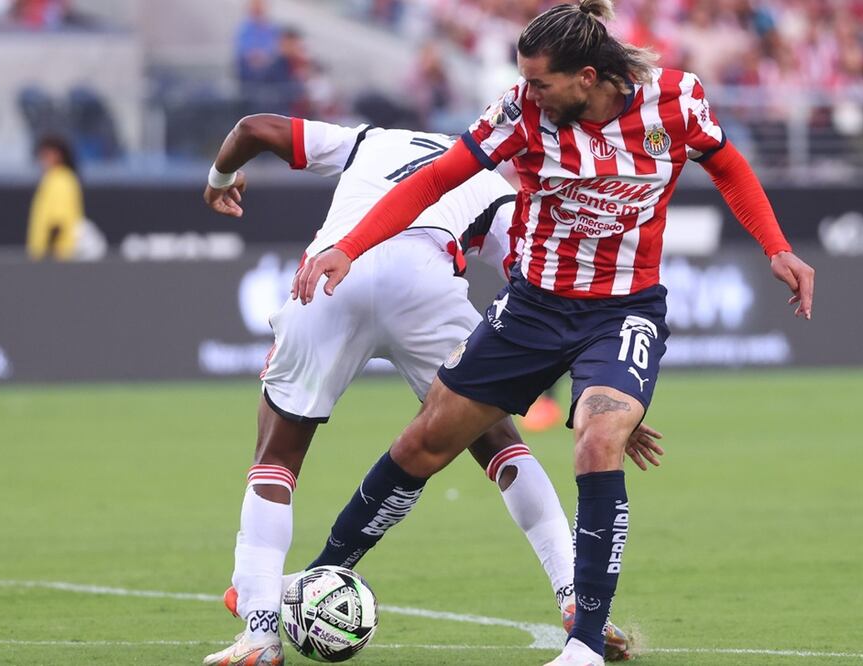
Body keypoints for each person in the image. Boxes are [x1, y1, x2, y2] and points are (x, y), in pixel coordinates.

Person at [294, 2, 816, 665]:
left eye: (540, 82)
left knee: (599, 439)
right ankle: (323, 572)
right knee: (427, 442)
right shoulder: (521, 114)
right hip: (533, 309)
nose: (527, 92)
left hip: (623, 312)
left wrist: (776, 247)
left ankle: (586, 645)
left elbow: (728, 165)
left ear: (587, 77)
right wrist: (350, 244)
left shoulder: (677, 101)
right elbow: (434, 180)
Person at [200, 113, 663, 666]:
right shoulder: (494, 182)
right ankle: (573, 598)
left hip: (334, 272)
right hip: (427, 282)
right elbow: (548, 299)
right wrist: (607, 393)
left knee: (276, 458)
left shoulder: (366, 140)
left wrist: (221, 179)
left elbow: (254, 128)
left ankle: (259, 633)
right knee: (501, 447)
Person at [26, 135, 83, 261]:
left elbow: (58, 220)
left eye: (45, 155)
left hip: (58, 256)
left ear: (58, 155)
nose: (41, 160)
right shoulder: (53, 178)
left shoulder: (60, 179)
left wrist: (47, 253)